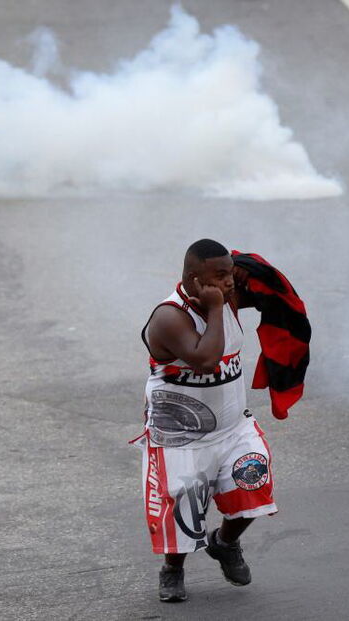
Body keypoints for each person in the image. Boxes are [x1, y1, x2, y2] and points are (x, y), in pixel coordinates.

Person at [132, 238, 279, 603]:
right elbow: (206, 359)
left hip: (232, 427)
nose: (230, 283)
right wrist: (216, 307)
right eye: (221, 275)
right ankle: (173, 568)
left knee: (254, 482)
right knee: (183, 504)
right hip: (181, 434)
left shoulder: (225, 297)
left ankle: (225, 543)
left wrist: (253, 275)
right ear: (195, 279)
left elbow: (271, 292)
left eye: (231, 274)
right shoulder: (169, 317)